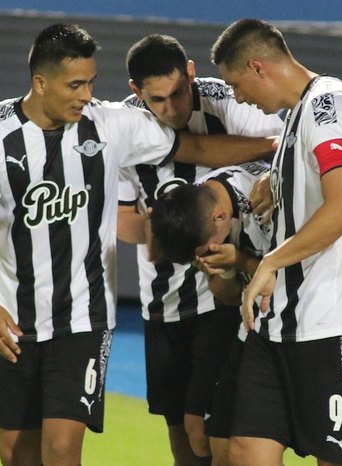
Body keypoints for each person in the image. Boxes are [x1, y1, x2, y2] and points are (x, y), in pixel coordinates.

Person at [0, 23, 276, 466]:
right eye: (75, 85)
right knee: (14, 450)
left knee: (61, 447)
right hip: (15, 314)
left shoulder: (111, 124)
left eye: (91, 82)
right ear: (41, 83)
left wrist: (278, 148)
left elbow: (197, 148)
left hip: (84, 316)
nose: (87, 95)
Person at [210, 19, 342, 466]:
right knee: (244, 451)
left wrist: (270, 262)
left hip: (333, 323)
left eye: (237, 84)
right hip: (277, 323)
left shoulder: (328, 105)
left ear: (258, 66)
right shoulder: (297, 117)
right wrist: (276, 179)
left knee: (339, 460)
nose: (239, 97)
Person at [117, 34, 283, 465]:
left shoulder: (233, 104)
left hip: (224, 295)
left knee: (209, 431)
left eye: (178, 93)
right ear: (136, 91)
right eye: (158, 100)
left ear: (191, 72)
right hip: (162, 301)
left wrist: (269, 177)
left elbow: (285, 149)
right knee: (182, 440)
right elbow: (123, 222)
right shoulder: (125, 128)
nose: (171, 108)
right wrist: (172, 230)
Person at [149, 163, 272, 466]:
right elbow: (227, 296)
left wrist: (240, 261)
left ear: (219, 217)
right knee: (211, 440)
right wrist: (227, 269)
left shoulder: (264, 201)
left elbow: (295, 281)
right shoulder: (199, 206)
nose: (208, 252)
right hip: (248, 327)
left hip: (296, 330)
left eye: (207, 249)